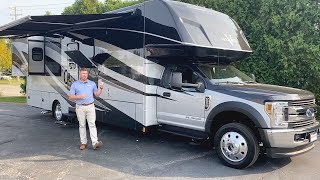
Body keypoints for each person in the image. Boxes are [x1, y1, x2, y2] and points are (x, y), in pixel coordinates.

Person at [68, 68, 104, 150]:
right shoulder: (75, 84)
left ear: (87, 74)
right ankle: (83, 143)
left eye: (86, 73)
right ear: (80, 74)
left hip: (90, 106)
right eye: (83, 73)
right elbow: (70, 97)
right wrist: (79, 96)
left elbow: (97, 94)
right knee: (82, 125)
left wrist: (101, 88)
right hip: (80, 107)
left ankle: (95, 143)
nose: (84, 75)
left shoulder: (92, 84)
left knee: (92, 124)